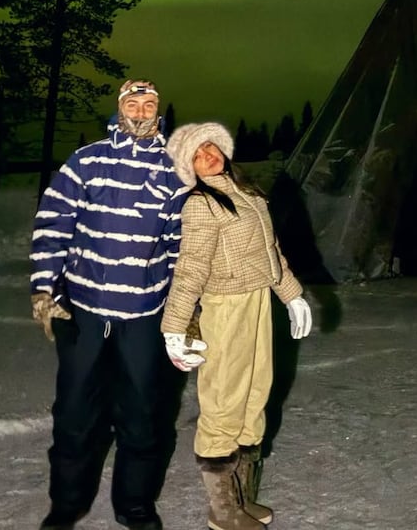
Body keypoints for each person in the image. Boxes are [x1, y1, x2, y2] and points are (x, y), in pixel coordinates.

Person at [30, 79, 187, 530]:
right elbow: (53, 220)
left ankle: (135, 507)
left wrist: (185, 308)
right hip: (86, 310)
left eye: (150, 103)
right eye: (133, 103)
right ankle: (66, 505)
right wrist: (44, 286)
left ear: (160, 111)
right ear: (120, 109)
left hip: (143, 315)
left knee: (142, 415)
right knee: (76, 412)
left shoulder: (175, 169)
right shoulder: (88, 160)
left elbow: (182, 246)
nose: (141, 110)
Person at [160, 122, 312, 530]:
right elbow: (190, 268)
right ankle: (221, 511)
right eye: (197, 154)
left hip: (259, 300)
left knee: (254, 397)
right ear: (187, 167)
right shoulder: (200, 204)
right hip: (225, 308)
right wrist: (174, 326)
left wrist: (291, 295)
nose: (208, 155)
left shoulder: (245, 192)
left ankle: (242, 498)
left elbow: (270, 252)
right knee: (224, 402)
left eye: (210, 147)